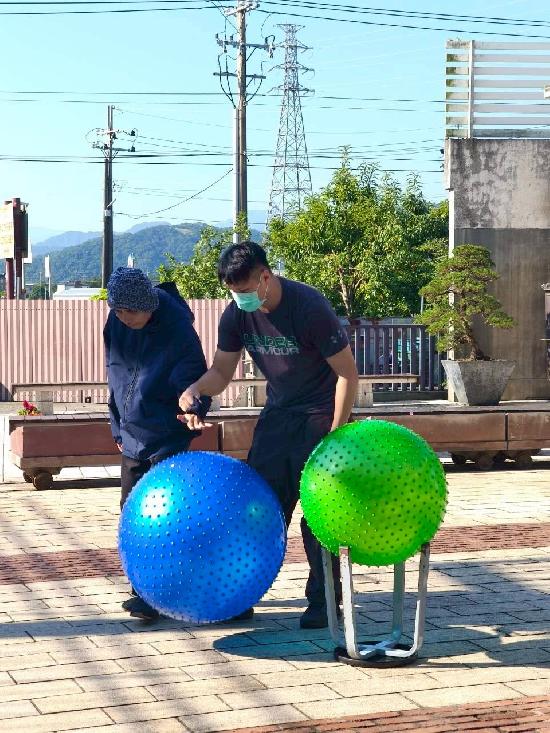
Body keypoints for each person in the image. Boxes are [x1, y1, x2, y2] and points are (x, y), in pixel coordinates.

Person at [179, 242, 359, 628]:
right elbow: (221, 373)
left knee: (319, 515)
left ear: (265, 276)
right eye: (233, 292)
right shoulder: (236, 316)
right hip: (279, 416)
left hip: (322, 416)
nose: (240, 298)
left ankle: (325, 600)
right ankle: (241, 594)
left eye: (245, 290)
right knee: (257, 510)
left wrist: (336, 436)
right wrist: (195, 390)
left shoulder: (309, 307)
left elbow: (347, 374)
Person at [104, 267, 211, 621]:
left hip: (167, 432)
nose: (123, 317)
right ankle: (143, 588)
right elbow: (115, 376)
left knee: (163, 514)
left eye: (129, 312)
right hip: (131, 435)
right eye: (117, 310)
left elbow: (192, 376)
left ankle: (159, 592)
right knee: (131, 512)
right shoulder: (116, 322)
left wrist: (193, 407)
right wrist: (117, 426)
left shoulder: (177, 328)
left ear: (148, 305)